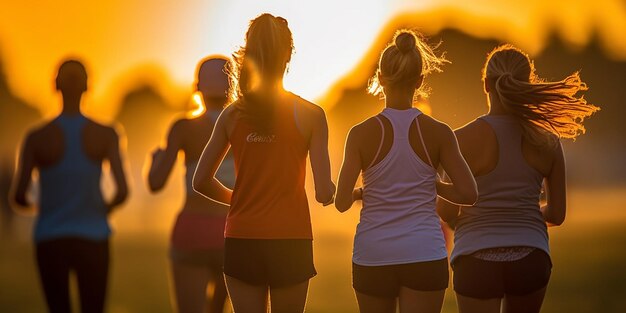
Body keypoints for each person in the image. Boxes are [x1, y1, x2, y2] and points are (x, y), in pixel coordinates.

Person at [437, 45, 600, 313]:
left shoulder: (460, 139)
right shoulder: (547, 141)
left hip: (475, 259)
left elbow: (446, 210)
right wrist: (521, 213)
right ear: (526, 84)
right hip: (531, 258)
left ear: (486, 85)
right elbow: (557, 214)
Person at [192, 13, 336, 313]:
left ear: (250, 54)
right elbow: (324, 193)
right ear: (288, 54)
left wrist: (239, 199)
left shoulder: (232, 115)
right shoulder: (311, 115)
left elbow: (201, 180)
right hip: (291, 240)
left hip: (242, 238)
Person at [335, 30, 478, 313]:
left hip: (373, 255)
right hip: (424, 253)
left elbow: (340, 203)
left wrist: (363, 192)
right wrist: (433, 185)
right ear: (421, 81)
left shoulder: (360, 134)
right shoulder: (439, 132)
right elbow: (468, 193)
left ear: (379, 77)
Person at [12, 59, 128, 313]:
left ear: (55, 85)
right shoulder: (106, 134)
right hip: (94, 236)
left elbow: (18, 196)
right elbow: (122, 191)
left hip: (51, 237)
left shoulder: (36, 137)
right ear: (88, 86)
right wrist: (103, 208)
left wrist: (44, 206)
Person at [147, 56, 234, 313]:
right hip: (233, 231)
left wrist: (155, 161)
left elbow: (156, 183)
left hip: (192, 229)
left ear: (197, 88)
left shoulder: (184, 128)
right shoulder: (244, 125)